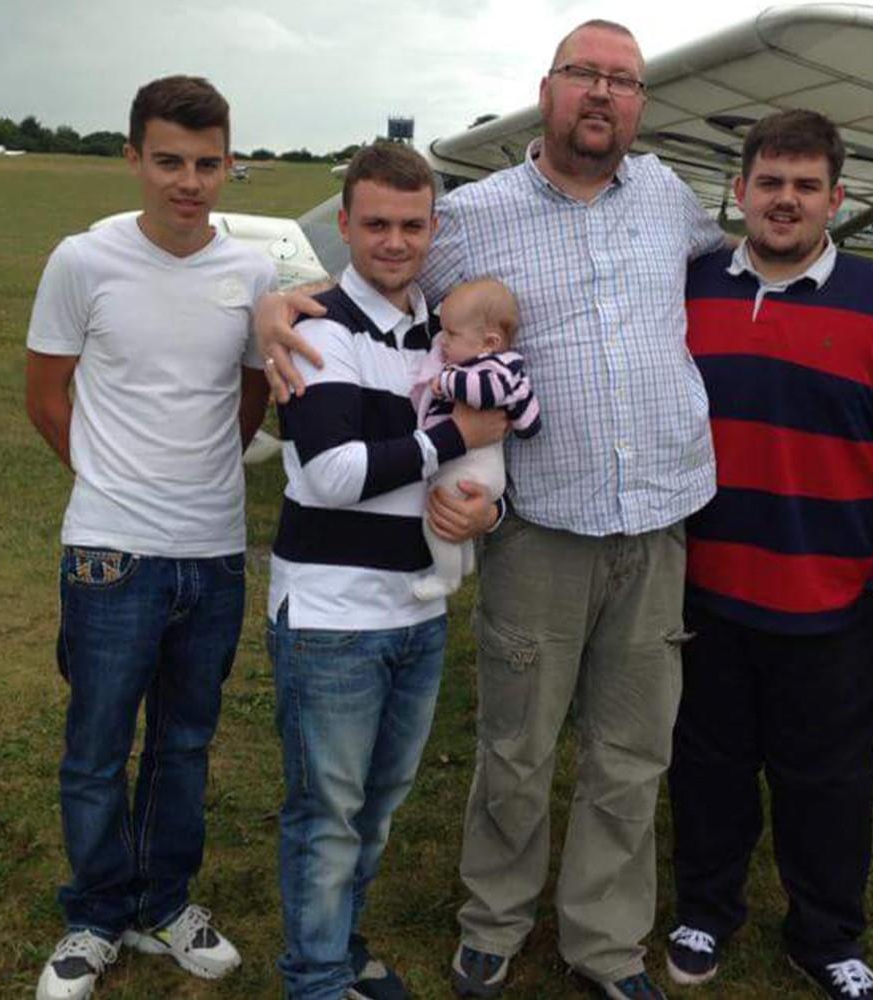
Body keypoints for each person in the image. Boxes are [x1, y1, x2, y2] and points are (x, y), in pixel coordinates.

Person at [256, 20, 724, 1000]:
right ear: (547, 89)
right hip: (542, 527)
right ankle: (493, 923)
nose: (602, 95)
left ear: (640, 103)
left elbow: (743, 265)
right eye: (583, 75)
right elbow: (369, 278)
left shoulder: (674, 201)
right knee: (517, 745)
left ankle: (604, 939)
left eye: (622, 81)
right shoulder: (469, 216)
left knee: (631, 750)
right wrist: (274, 305)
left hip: (659, 520)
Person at [665, 110, 873, 1000]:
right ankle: (705, 910)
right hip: (705, 592)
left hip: (841, 604)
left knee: (828, 779)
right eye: (769, 183)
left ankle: (825, 931)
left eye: (804, 186)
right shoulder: (690, 287)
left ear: (835, 198)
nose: (784, 200)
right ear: (740, 191)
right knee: (708, 765)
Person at [25, 76, 275, 1000]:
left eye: (208, 164)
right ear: (133, 157)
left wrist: (195, 476)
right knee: (96, 746)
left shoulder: (250, 273)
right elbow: (47, 394)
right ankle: (94, 915)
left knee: (185, 742)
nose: (190, 182)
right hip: (109, 552)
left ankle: (164, 903)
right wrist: (108, 478)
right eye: (169, 161)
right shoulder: (81, 261)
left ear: (227, 164)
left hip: (212, 552)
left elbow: (248, 400)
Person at [266, 143, 506, 1000]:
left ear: (434, 228)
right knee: (327, 817)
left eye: (412, 225)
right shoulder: (316, 326)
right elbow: (328, 476)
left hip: (415, 614)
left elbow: (469, 478)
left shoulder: (447, 332)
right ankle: (317, 979)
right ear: (344, 225)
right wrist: (455, 438)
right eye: (376, 224)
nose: (395, 241)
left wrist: (489, 510)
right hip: (333, 617)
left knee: (376, 810)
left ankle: (339, 946)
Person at [411, 278, 541, 600]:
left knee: (436, 520)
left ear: (489, 341)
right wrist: (522, 419)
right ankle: (465, 560)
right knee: (456, 520)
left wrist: (446, 381)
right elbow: (530, 422)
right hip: (482, 470)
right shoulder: (510, 369)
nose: (443, 342)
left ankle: (446, 578)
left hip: (470, 470)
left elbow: (486, 393)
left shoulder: (494, 369)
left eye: (452, 335)